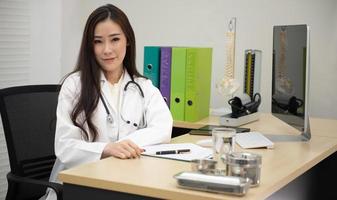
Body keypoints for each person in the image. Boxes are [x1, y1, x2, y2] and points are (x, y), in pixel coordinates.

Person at [43, 4, 172, 200]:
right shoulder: (74, 85)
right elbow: (65, 146)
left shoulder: (142, 86)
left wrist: (121, 146)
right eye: (98, 41)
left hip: (125, 181)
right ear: (89, 45)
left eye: (115, 39)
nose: (107, 50)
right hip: (80, 184)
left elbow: (163, 127)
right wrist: (104, 149)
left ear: (127, 40)